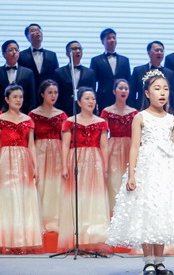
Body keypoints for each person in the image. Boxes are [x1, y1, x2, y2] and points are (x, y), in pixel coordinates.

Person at [107, 70, 174, 275]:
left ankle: (159, 261)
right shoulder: (140, 117)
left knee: (162, 214)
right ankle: (148, 261)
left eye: (165, 89)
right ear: (147, 93)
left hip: (167, 171)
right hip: (147, 170)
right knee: (147, 213)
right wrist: (132, 175)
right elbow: (134, 147)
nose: (162, 93)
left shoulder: (172, 120)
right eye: (157, 89)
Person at [58, 87, 110, 251]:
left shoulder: (101, 122)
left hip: (95, 160)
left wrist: (106, 168)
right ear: (79, 102)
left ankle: (94, 236)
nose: (91, 102)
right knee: (78, 197)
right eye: (87, 98)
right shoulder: (70, 121)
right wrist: (64, 166)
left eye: (93, 99)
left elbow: (104, 146)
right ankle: (78, 236)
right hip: (76, 160)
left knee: (95, 197)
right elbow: (65, 145)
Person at [0, 85, 42, 254]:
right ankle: (7, 240)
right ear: (7, 99)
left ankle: (23, 239)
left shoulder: (28, 120)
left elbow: (31, 145)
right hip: (5, 159)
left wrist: (35, 166)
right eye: (15, 97)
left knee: (24, 198)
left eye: (21, 97)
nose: (18, 100)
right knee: (7, 198)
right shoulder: (1, 119)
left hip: (24, 159)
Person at [29, 80, 66, 233]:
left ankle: (55, 219)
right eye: (50, 92)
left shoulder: (62, 115)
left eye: (55, 92)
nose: (53, 95)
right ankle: (40, 219)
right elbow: (30, 139)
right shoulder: (33, 114)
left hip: (57, 152)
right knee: (41, 184)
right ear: (42, 94)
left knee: (55, 185)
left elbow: (65, 139)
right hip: (40, 151)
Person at [100, 79, 138, 213]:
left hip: (130, 147)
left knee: (129, 177)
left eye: (126, 89)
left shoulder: (134, 113)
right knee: (114, 180)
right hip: (113, 148)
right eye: (120, 88)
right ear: (114, 91)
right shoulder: (106, 111)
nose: (123, 91)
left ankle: (129, 213)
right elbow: (103, 136)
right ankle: (114, 213)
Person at [90, 28, 131, 112]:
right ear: (102, 42)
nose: (112, 40)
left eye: (114, 38)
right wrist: (94, 99)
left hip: (122, 98)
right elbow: (93, 83)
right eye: (109, 38)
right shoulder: (96, 60)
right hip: (103, 98)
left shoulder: (125, 60)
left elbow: (129, 81)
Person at [53, 41, 96, 116]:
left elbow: (93, 94)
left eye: (80, 49)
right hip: (64, 110)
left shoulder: (90, 72)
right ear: (67, 53)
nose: (78, 51)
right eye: (74, 49)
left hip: (84, 110)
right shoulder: (59, 72)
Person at [129, 41, 174, 110]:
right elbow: (132, 93)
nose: (159, 53)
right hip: (141, 109)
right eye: (157, 50)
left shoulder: (169, 73)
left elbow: (172, 95)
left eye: (161, 51)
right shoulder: (138, 71)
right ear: (148, 52)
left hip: (163, 110)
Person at [18, 23, 59, 91]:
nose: (37, 32)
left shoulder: (52, 55)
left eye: (39, 30)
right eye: (33, 31)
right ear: (27, 37)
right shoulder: (21, 55)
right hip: (29, 91)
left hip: (48, 92)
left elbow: (56, 76)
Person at [0, 40, 36, 113]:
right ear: (4, 54)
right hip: (2, 113)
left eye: (16, 50)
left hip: (23, 113)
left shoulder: (28, 72)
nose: (14, 52)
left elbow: (32, 97)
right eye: (11, 50)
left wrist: (29, 115)